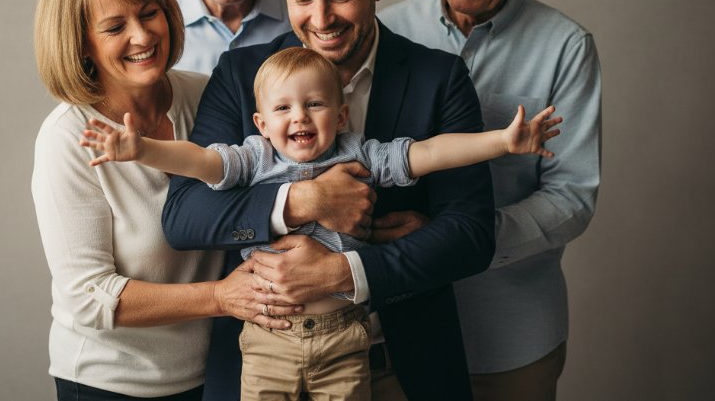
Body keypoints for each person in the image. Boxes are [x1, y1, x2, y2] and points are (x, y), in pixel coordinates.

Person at [82, 46, 560, 400]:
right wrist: (142, 150)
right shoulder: (255, 158)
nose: (300, 117)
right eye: (283, 108)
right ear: (261, 123)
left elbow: (429, 152)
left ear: (341, 113)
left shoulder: (361, 153)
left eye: (314, 104)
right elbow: (201, 163)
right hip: (270, 337)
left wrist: (501, 141)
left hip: (343, 336)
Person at [162, 0, 497, 401]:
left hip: (402, 369)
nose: (321, 20)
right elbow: (185, 215)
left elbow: (471, 233)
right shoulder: (240, 75)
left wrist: (348, 269)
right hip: (263, 368)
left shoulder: (438, 78)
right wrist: (303, 202)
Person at [31, 0, 301, 401]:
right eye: (115, 27)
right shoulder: (66, 138)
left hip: (212, 374)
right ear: (82, 45)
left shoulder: (205, 97)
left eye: (148, 12)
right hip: (108, 383)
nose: (142, 36)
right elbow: (88, 294)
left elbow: (269, 186)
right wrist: (219, 296)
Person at [379, 0, 602, 401]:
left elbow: (572, 196)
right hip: (395, 329)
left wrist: (455, 241)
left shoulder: (567, 47)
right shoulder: (386, 28)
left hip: (510, 336)